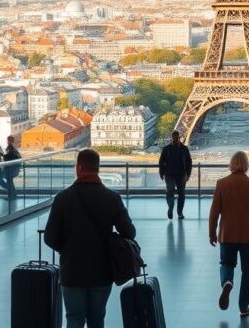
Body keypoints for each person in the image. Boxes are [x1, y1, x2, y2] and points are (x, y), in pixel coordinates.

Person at [45, 149, 136, 328]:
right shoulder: (112, 198)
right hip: (102, 270)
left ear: (78, 168)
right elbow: (129, 232)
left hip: (72, 270)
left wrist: (67, 248)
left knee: (73, 318)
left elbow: (50, 238)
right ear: (98, 168)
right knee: (97, 318)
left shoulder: (63, 198)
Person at [209, 151, 249, 318]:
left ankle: (227, 281)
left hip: (227, 233)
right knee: (248, 271)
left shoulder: (222, 184)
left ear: (231, 163)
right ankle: (244, 307)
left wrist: (212, 233)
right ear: (246, 164)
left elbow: (214, 213)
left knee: (226, 263)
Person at [158, 131, 192, 219]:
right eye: (175, 138)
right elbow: (189, 162)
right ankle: (179, 212)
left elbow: (161, 162)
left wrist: (162, 173)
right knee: (181, 194)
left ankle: (171, 207)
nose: (175, 139)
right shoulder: (184, 149)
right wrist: (188, 174)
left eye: (175, 138)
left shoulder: (166, 149)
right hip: (178, 175)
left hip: (172, 174)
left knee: (170, 192)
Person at [3, 135, 21, 200]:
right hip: (12, 168)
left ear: (8, 140)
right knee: (10, 183)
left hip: (9, 168)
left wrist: (3, 155)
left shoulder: (10, 148)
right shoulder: (14, 148)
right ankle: (13, 195)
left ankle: (11, 196)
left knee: (10, 183)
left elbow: (8, 157)